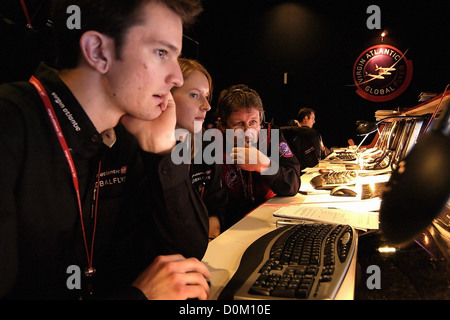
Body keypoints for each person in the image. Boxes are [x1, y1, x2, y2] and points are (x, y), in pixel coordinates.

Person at [0, 0, 211, 300]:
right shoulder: (10, 126)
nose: (177, 77)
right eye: (161, 53)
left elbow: (189, 251)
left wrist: (161, 149)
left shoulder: (129, 136)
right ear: (98, 51)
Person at [216, 84, 301, 229]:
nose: (248, 131)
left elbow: (292, 184)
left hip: (269, 219)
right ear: (223, 126)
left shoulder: (271, 136)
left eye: (253, 122)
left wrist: (264, 165)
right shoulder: (214, 145)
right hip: (232, 227)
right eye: (239, 124)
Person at [171, 57, 227, 240]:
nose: (207, 106)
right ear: (165, 95)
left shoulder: (208, 145)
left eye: (207, 95)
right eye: (194, 95)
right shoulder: (141, 151)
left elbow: (217, 207)